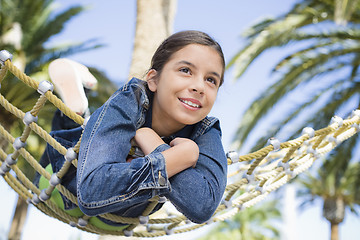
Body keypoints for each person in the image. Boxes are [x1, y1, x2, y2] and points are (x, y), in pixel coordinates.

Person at [39, 30, 228, 226]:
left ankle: (78, 111)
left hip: (119, 218)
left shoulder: (206, 131)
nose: (199, 86)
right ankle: (75, 110)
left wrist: (157, 147)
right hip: (60, 179)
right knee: (77, 140)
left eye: (211, 80)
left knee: (114, 219)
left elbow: (204, 206)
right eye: (185, 70)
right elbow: (91, 191)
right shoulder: (132, 99)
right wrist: (176, 159)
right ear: (153, 80)